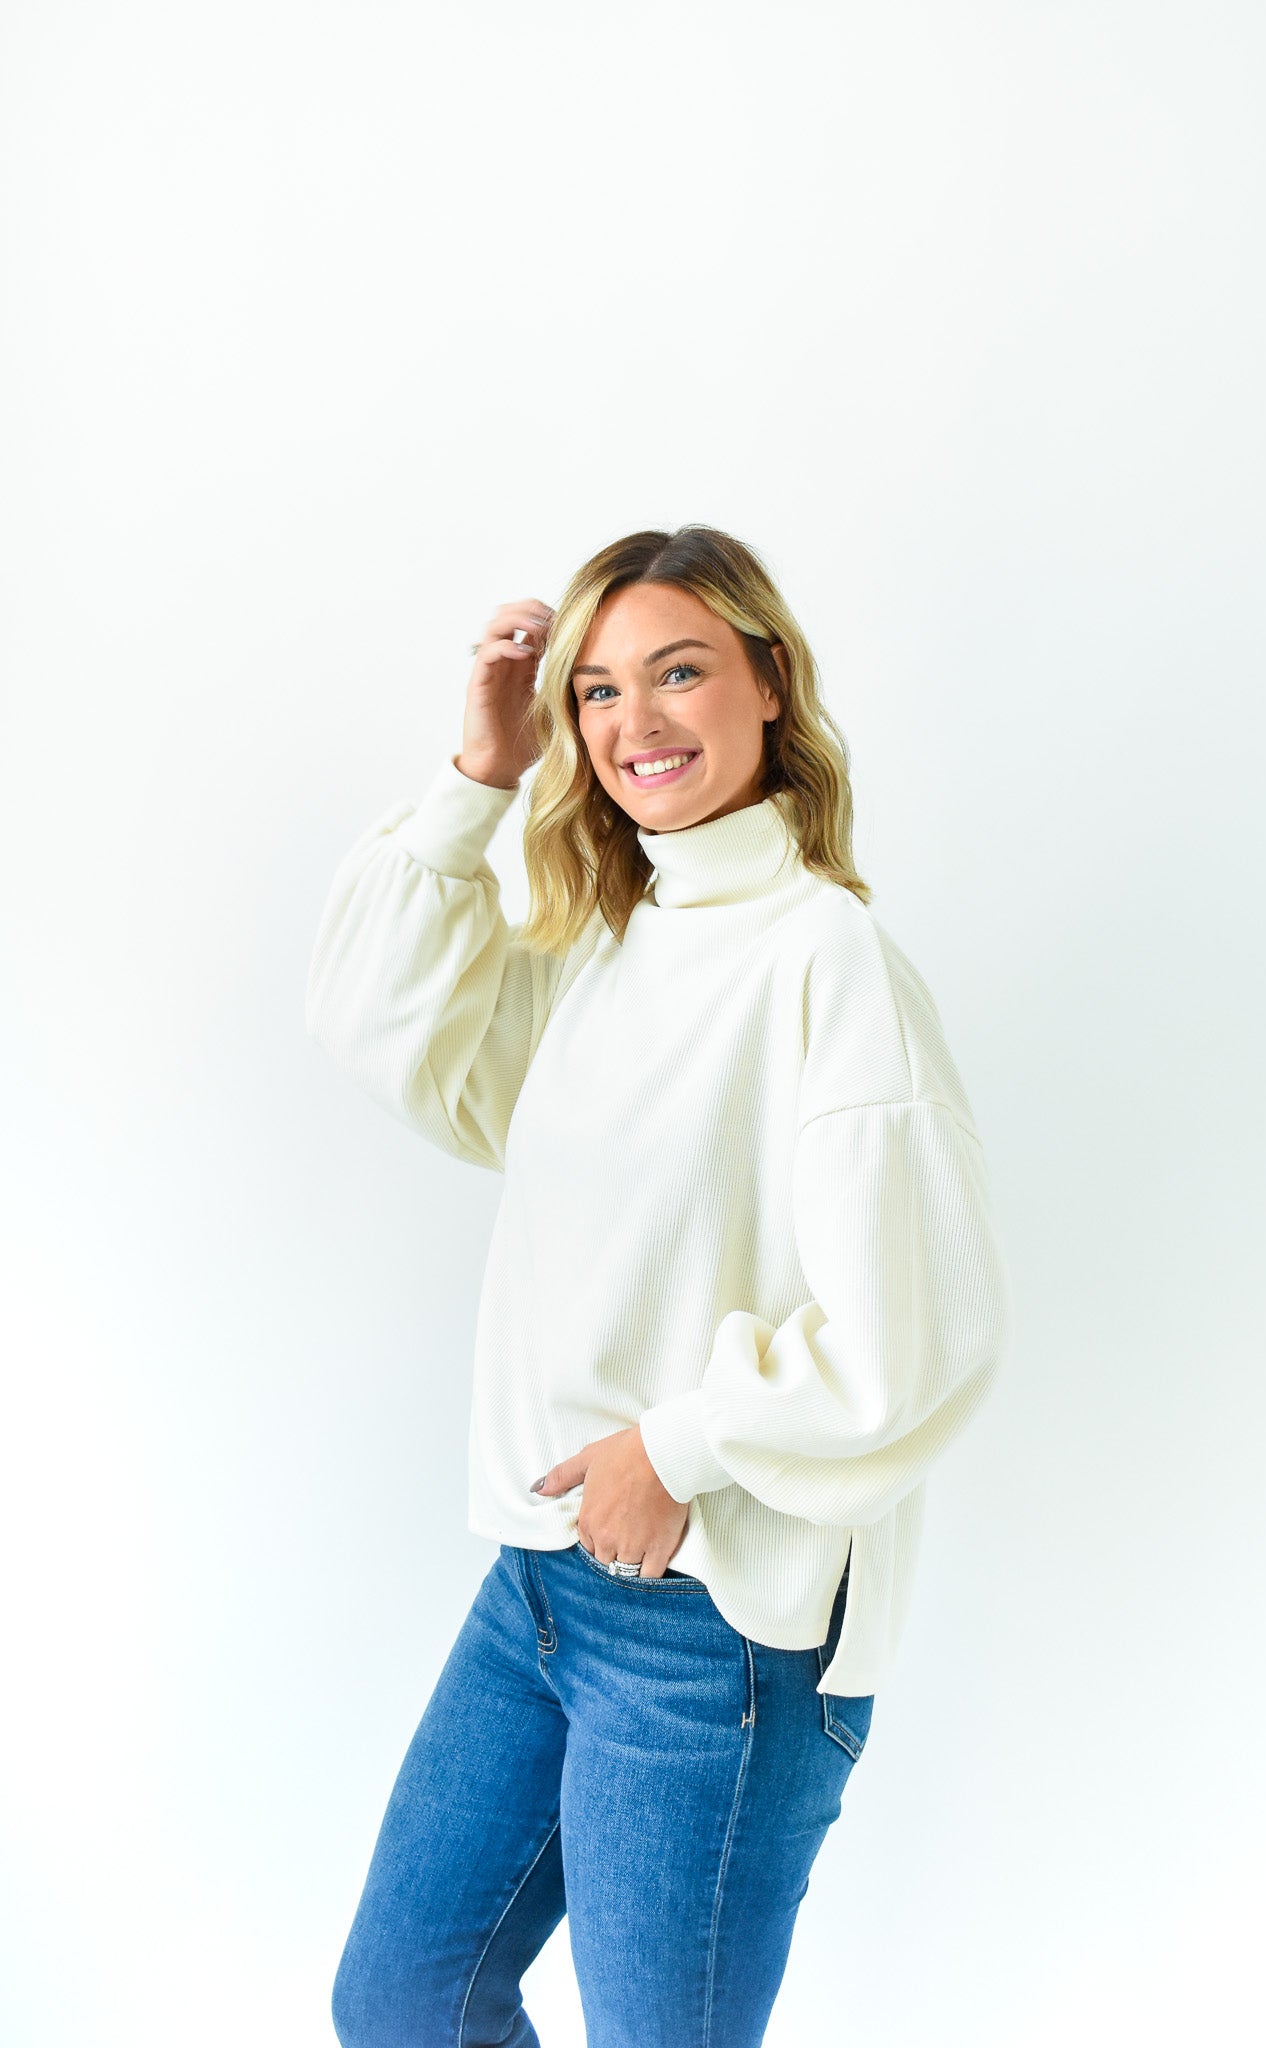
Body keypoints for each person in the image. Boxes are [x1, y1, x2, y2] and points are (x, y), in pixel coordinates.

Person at [305, 524, 1012, 2048]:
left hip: (719, 1626)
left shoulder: (826, 961)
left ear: (768, 681)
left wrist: (674, 1448)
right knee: (404, 2000)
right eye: (598, 690)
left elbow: (921, 1334)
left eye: (678, 672)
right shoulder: (604, 945)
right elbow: (378, 1027)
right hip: (537, 1583)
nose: (635, 721)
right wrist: (478, 776)